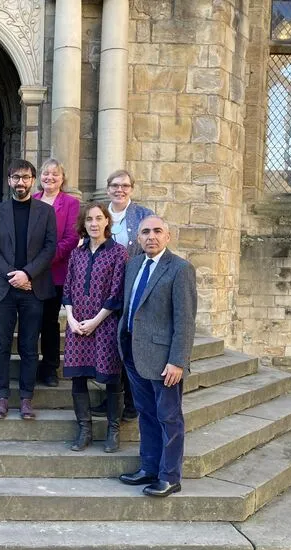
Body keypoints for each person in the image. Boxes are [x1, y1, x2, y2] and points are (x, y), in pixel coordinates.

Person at [118, 216, 197, 497]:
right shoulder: (134, 264)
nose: (151, 236)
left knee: (169, 417)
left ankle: (170, 476)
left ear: (167, 236)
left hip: (164, 361)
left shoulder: (180, 269)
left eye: (157, 231)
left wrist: (178, 361)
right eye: (145, 232)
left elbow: (185, 321)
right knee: (146, 414)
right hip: (134, 354)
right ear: (138, 238)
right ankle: (149, 467)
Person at [0, 159, 57, 420]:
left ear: (33, 181)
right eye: (16, 177)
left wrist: (27, 273)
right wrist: (12, 275)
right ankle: (1, 397)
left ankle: (26, 398)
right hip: (4, 289)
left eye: (26, 177)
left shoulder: (46, 212)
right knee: (2, 345)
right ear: (9, 181)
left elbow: (50, 247)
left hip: (33, 288)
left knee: (29, 346)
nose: (21, 182)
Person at [62, 203, 128, 452]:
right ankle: (84, 430)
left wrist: (95, 322)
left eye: (99, 218)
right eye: (89, 219)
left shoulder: (118, 253)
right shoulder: (77, 254)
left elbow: (116, 293)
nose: (94, 223)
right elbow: (68, 288)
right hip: (77, 325)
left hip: (105, 325)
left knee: (112, 378)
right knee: (78, 378)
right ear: (84, 223)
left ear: (107, 222)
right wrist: (70, 319)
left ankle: (113, 431)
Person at [94, 169, 155, 421]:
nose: (120, 190)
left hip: (132, 288)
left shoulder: (143, 215)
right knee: (110, 346)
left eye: (125, 186)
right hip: (103, 290)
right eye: (115, 185)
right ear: (108, 188)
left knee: (129, 345)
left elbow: (154, 249)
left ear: (131, 188)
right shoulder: (100, 213)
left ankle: (131, 402)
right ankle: (111, 399)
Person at [33, 158, 80, 387]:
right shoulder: (32, 199)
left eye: (55, 174)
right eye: (46, 173)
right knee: (33, 320)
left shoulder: (71, 203)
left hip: (57, 272)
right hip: (32, 274)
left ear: (63, 178)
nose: (50, 177)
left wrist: (45, 258)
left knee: (50, 321)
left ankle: (50, 367)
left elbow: (72, 238)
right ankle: (30, 365)